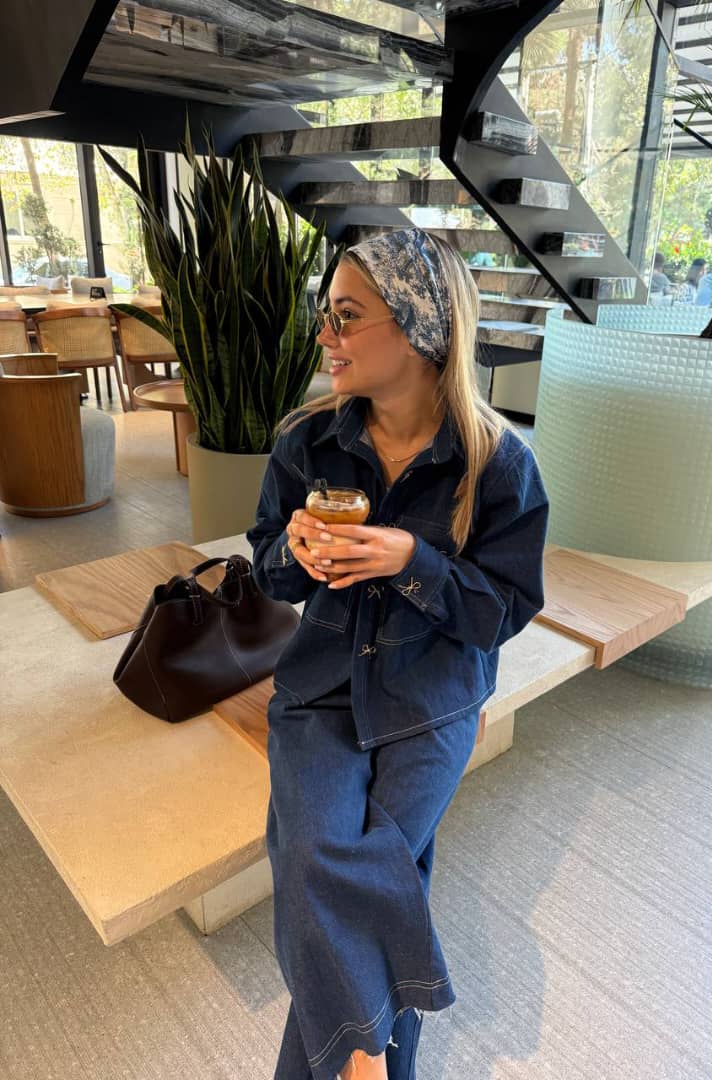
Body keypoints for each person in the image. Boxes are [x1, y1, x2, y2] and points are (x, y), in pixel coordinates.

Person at [247, 228, 549, 1080]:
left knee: (369, 868)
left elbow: (504, 610)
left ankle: (359, 1065)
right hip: (320, 690)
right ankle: (375, 1063)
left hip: (432, 697)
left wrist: (413, 562)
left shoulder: (498, 465)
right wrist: (292, 552)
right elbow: (266, 564)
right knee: (321, 859)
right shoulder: (306, 442)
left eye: (346, 316)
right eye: (326, 314)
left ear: (419, 327)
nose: (324, 335)